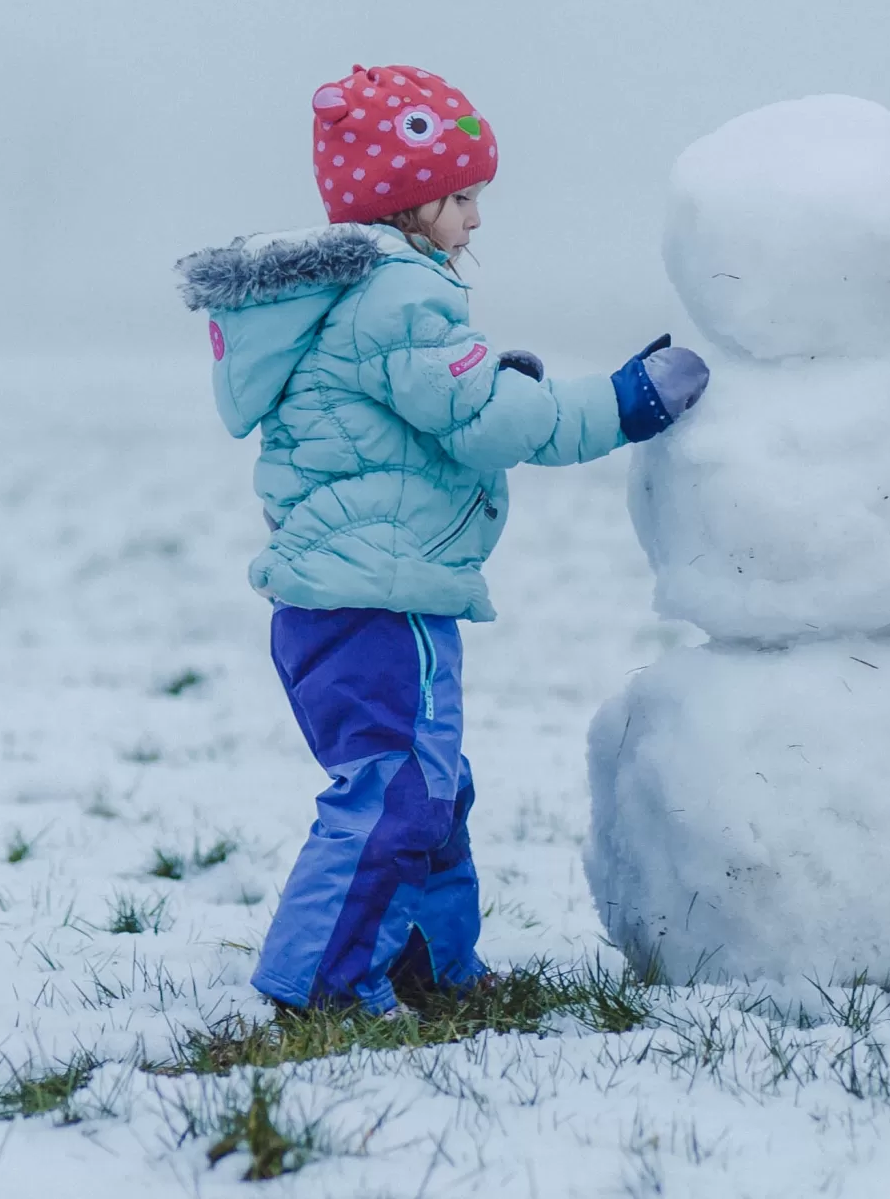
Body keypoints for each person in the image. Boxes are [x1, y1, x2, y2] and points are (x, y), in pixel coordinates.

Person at [178, 65, 709, 1016]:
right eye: (461, 197)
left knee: (430, 788)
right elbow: (491, 423)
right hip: (378, 600)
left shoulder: (357, 299)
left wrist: (495, 376)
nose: (475, 218)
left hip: (343, 598)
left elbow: (427, 403)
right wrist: (624, 403)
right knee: (392, 790)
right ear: (406, 204)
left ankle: (422, 957)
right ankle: (323, 985)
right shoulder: (398, 298)